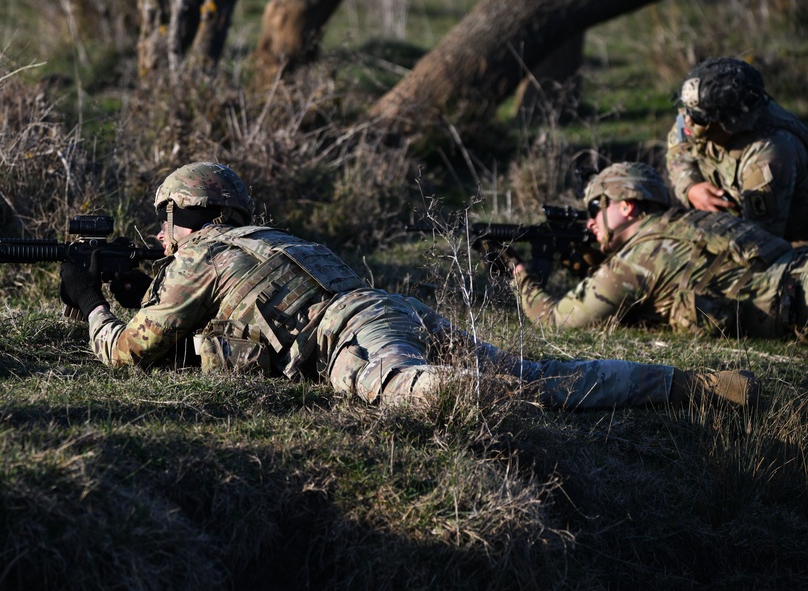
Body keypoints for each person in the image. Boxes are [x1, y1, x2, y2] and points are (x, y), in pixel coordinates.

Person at [59, 161, 760, 411]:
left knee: (401, 391)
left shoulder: (199, 256)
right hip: (391, 308)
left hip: (353, 338)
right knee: (541, 373)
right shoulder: (274, 240)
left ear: (186, 214)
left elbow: (129, 355)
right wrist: (136, 296)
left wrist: (90, 305)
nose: (157, 238)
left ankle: (472, 397)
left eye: (163, 222)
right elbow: (214, 339)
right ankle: (686, 385)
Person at [514, 161, 808, 340]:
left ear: (627, 205)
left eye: (595, 207)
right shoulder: (690, 223)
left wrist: (519, 278)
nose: (590, 221)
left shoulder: (638, 260)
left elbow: (556, 321)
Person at [665, 57, 808, 243]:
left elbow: (760, 243)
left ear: (729, 123)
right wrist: (690, 186)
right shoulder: (700, 112)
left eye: (698, 119)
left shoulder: (769, 154)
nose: (688, 121)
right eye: (688, 111)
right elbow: (677, 151)